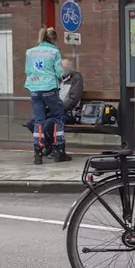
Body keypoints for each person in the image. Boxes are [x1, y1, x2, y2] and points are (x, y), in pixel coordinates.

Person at [24, 58, 83, 160]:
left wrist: (57, 108)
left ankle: (58, 150)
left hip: (68, 112)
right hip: (53, 110)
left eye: (64, 68)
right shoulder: (55, 78)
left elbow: (73, 99)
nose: (61, 70)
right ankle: (49, 146)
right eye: (60, 67)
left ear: (71, 68)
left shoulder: (76, 78)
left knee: (49, 124)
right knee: (31, 123)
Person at [24, 27, 68, 165]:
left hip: (34, 90)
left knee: (39, 121)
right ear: (53, 39)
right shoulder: (54, 52)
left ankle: (38, 152)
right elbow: (59, 72)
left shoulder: (30, 52)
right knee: (58, 117)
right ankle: (59, 151)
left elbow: (27, 70)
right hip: (49, 88)